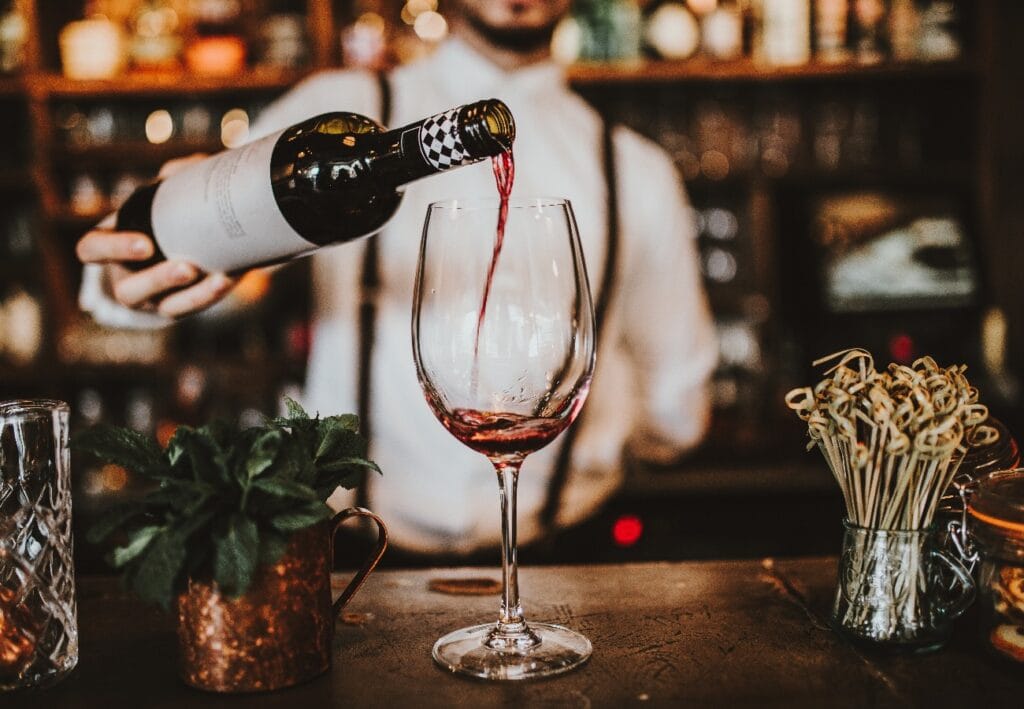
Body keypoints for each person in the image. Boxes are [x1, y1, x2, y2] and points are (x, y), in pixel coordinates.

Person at [76, 0, 718, 556]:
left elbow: (678, 408)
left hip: (569, 568)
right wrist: (127, 275)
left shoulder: (638, 169)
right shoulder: (342, 109)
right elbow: (189, 246)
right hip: (355, 562)